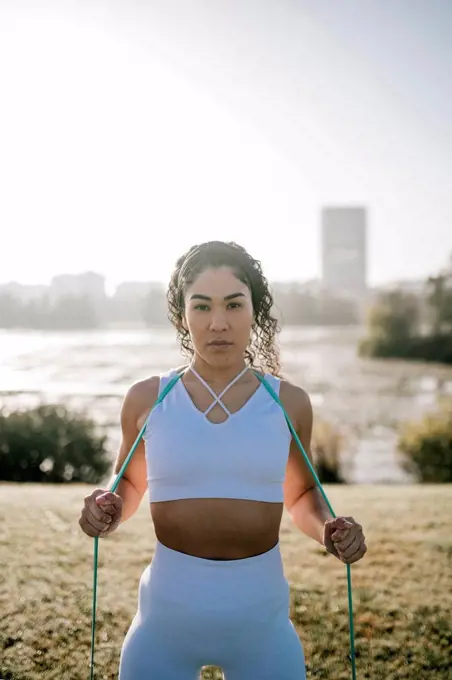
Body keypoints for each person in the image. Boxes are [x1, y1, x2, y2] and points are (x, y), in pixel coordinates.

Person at [79, 240, 367, 680]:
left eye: (234, 305)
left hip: (262, 627)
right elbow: (130, 484)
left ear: (255, 310)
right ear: (182, 314)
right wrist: (109, 507)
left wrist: (328, 530)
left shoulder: (288, 402)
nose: (218, 324)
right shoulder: (147, 399)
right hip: (163, 626)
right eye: (202, 307)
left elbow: (304, 492)